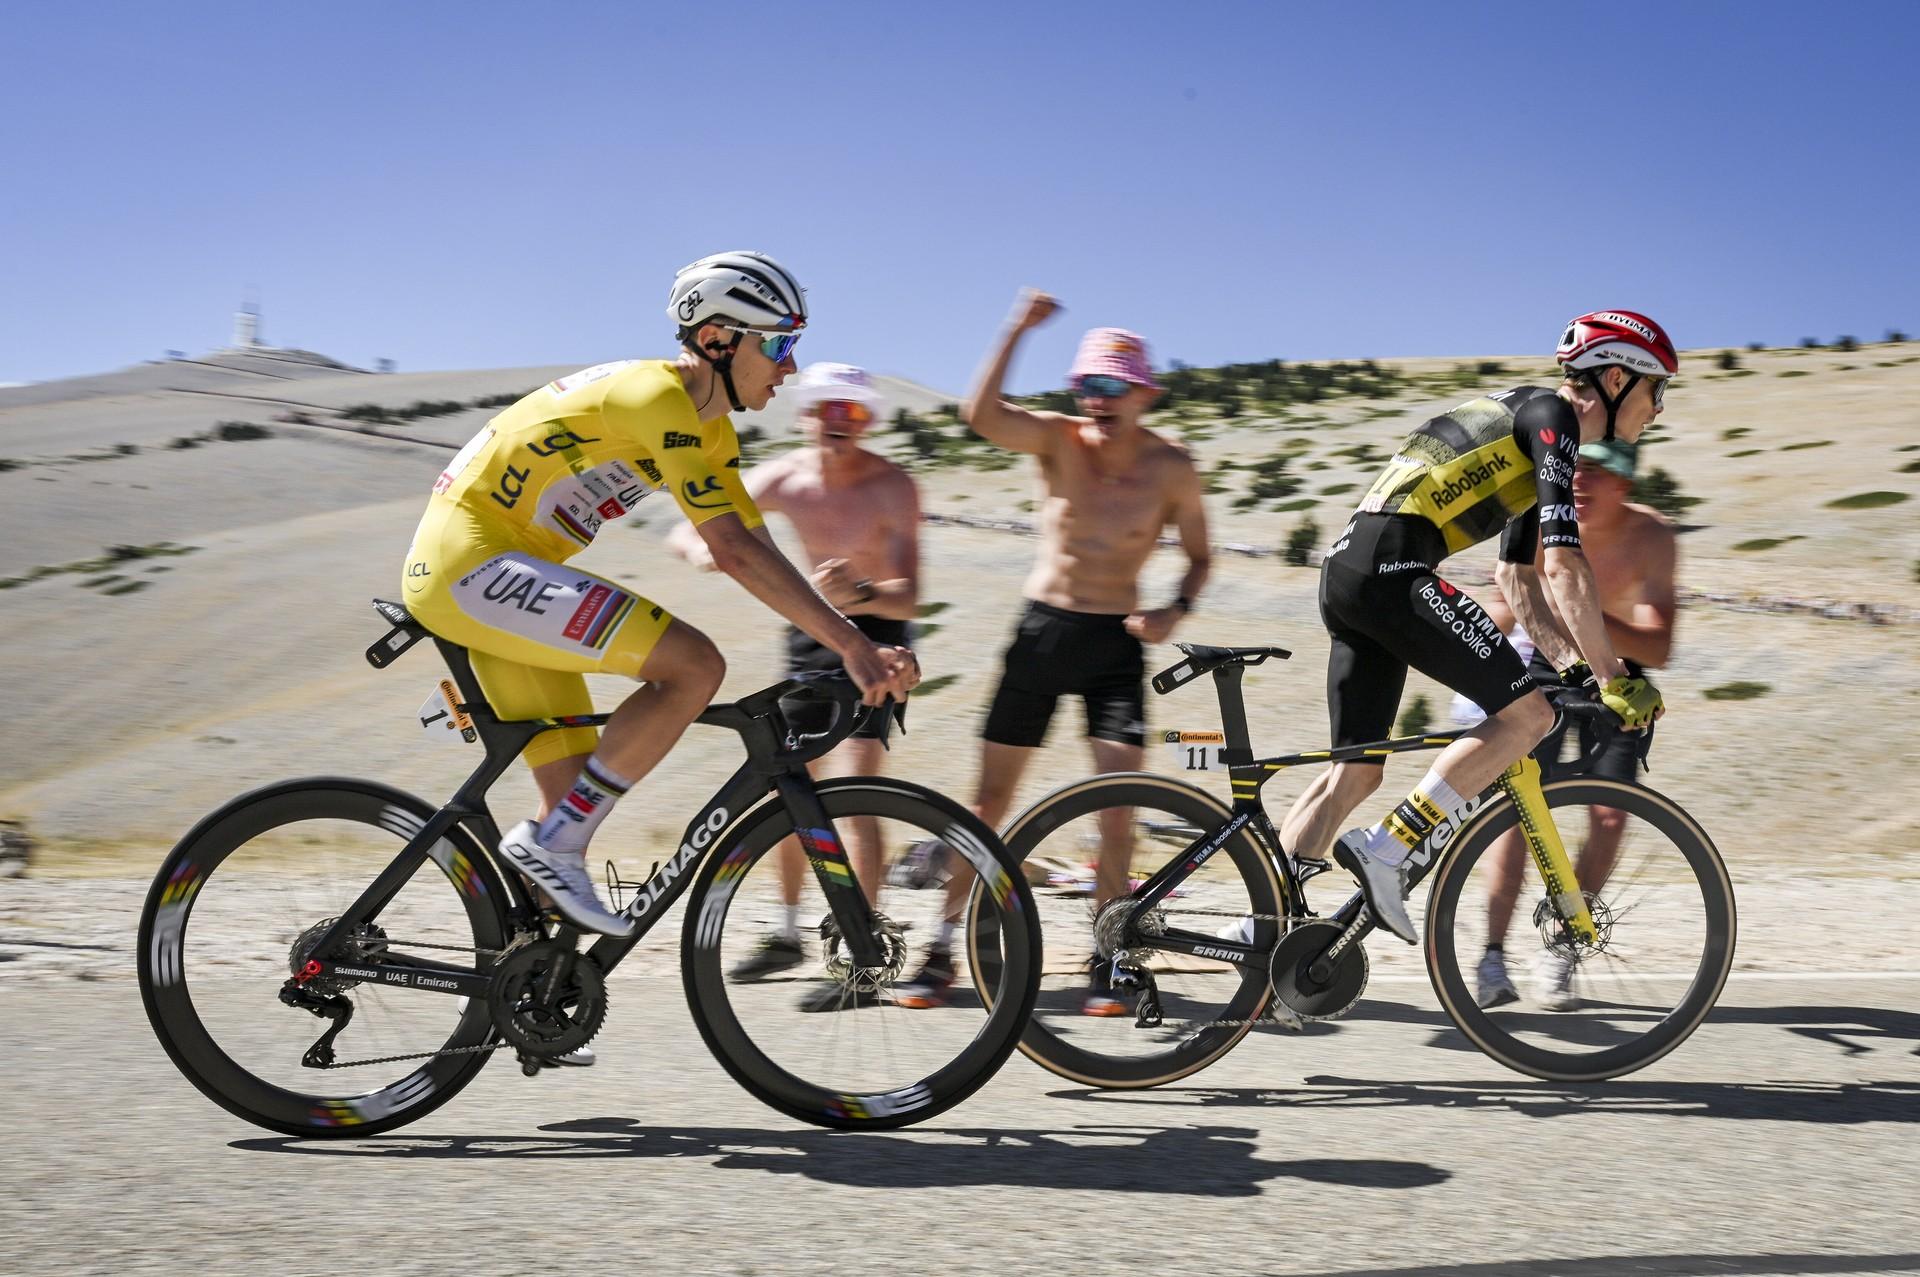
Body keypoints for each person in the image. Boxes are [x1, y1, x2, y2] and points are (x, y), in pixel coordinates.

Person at [401, 251, 917, 943]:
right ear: (716, 340)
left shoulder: (710, 430)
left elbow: (755, 546)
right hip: (473, 562)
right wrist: (853, 643)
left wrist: (848, 634)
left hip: (500, 570)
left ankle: (527, 997)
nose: (790, 367)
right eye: (779, 343)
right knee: (693, 666)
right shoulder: (658, 398)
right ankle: (549, 850)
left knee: (567, 819)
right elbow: (732, 553)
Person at [1277, 311, 1676, 948]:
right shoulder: (1554, 420)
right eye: (1657, 389)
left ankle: (1267, 931)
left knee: (1356, 773)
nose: (1658, 409)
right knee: (1529, 718)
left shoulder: (1532, 426)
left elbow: (1517, 578)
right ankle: (1387, 854)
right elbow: (1563, 563)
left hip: (1350, 571)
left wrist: (1574, 668)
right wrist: (1611, 676)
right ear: (1617, 379)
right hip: (1390, 568)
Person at [898, 288, 1211, 1016]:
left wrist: (1177, 607)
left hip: (1116, 644)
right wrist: (1015, 328)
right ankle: (943, 942)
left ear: (1143, 394)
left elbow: (1198, 555)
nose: (1097, 400)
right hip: (1043, 632)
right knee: (990, 800)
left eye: (1111, 386)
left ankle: (1109, 953)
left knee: (1118, 807)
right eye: (1086, 385)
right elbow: (978, 417)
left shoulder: (1172, 467)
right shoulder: (1057, 439)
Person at [668, 362, 922, 1009]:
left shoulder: (892, 486)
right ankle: (785, 933)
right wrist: (705, 547)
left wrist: (861, 590)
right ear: (806, 415)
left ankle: (863, 955)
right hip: (811, 634)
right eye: (828, 410)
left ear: (869, 421)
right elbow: (689, 523)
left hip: (878, 635)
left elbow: (912, 592)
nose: (840, 422)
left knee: (855, 793)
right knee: (788, 782)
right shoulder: (783, 476)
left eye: (855, 413)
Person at [1447, 434, 1678, 1009]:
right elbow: (1501, 606)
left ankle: (1562, 949)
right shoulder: (1545, 520)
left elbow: (1661, 642)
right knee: (1521, 817)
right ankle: (1493, 957)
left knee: (1610, 817)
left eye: (1597, 471)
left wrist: (1583, 614)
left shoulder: (1650, 536)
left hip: (1619, 676)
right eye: (1575, 467)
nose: (1579, 479)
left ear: (1624, 484)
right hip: (1541, 669)